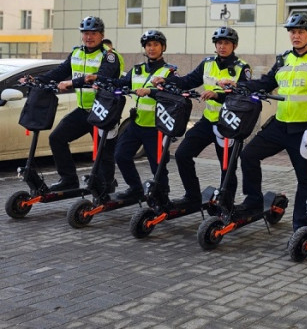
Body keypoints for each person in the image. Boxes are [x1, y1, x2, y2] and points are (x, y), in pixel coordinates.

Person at [237, 13, 307, 230]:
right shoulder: (283, 58)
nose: (296, 36)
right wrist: (241, 85)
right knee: (247, 155)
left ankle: (301, 227)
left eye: (301, 32)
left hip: (305, 129)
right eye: (292, 32)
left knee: (305, 180)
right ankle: (253, 200)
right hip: (280, 124)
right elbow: (266, 82)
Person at [151, 26, 252, 209]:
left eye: (226, 43)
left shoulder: (242, 68)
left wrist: (218, 95)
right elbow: (187, 81)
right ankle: (193, 196)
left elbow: (243, 96)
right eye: (219, 43)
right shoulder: (207, 63)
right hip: (208, 121)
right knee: (182, 154)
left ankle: (225, 205)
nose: (222, 46)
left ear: (234, 45)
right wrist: (167, 81)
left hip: (230, 123)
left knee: (227, 168)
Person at [31, 16, 125, 191]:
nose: (89, 37)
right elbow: (60, 72)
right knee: (57, 138)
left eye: (93, 33)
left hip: (104, 110)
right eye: (86, 33)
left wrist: (72, 83)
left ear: (101, 35)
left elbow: (103, 76)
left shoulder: (110, 56)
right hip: (83, 111)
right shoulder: (76, 53)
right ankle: (68, 179)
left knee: (103, 152)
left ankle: (106, 186)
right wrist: (35, 79)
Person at [86, 30, 176, 200]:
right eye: (148, 45)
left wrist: (151, 91)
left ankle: (162, 196)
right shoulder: (137, 70)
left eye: (156, 44)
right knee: (120, 156)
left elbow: (172, 94)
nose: (152, 48)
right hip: (136, 124)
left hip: (157, 127)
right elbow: (120, 83)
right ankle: (135, 189)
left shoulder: (169, 72)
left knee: (158, 165)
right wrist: (99, 80)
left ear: (163, 47)